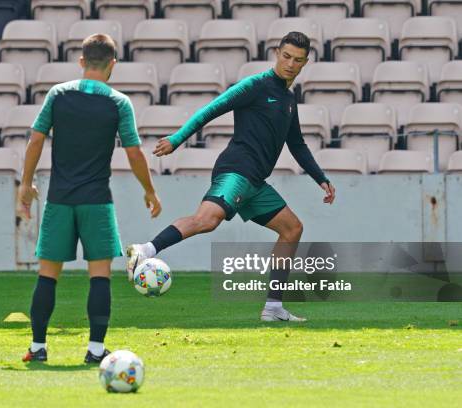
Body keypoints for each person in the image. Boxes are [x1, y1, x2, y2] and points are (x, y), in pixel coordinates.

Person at [127, 32, 336, 322]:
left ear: (305, 63)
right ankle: (145, 250)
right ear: (277, 53)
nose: (290, 63)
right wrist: (176, 139)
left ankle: (273, 308)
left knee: (292, 229)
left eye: (297, 60)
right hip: (236, 171)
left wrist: (320, 178)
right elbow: (211, 109)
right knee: (206, 220)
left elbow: (297, 143)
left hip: (255, 183)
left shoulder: (289, 99)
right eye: (286, 56)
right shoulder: (255, 85)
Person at [18, 34, 161, 363]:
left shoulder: (58, 94)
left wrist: (25, 185)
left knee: (47, 275)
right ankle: (95, 350)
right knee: (100, 275)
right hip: (97, 200)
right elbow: (135, 152)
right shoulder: (119, 103)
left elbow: (35, 141)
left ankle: (38, 348)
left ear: (82, 62)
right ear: (113, 64)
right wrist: (149, 190)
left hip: (59, 200)